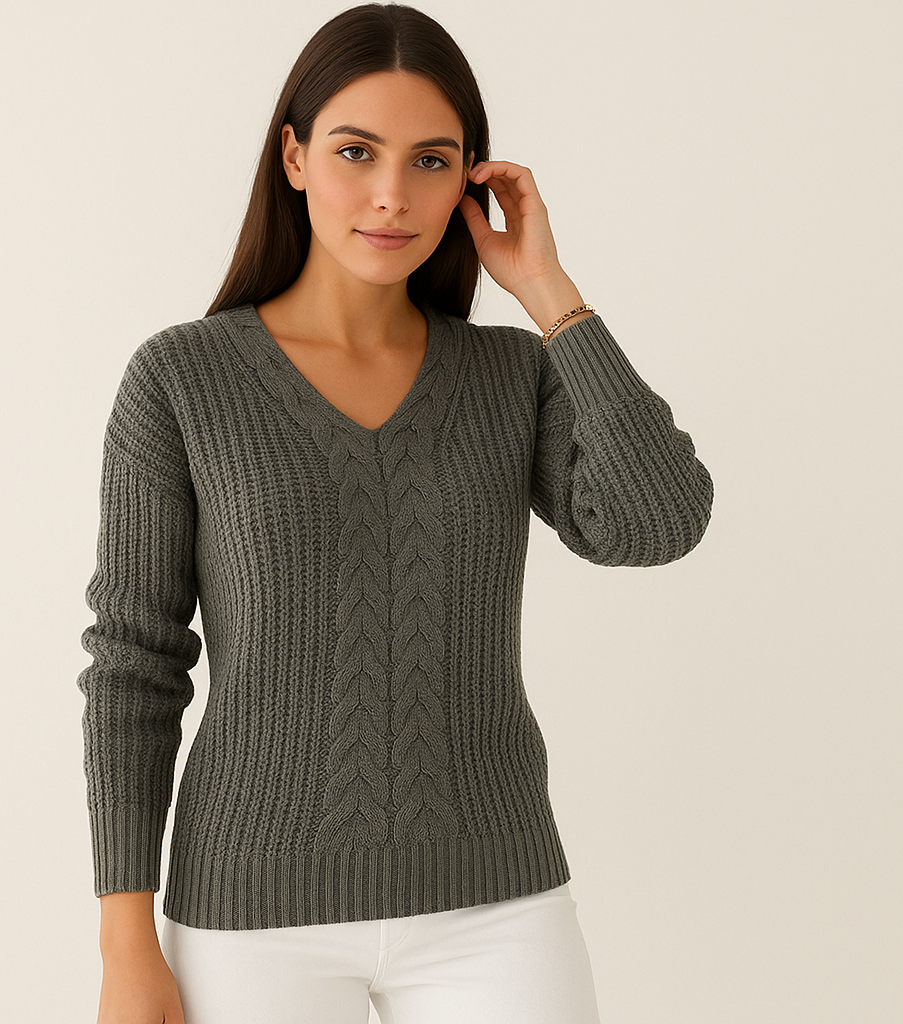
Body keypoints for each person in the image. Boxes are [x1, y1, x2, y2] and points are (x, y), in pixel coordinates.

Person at [75, 4, 714, 1023]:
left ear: (469, 182)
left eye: (430, 161)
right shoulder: (182, 378)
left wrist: (550, 294)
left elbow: (657, 522)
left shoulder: (510, 374)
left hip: (497, 906)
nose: (391, 195)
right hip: (250, 914)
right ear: (293, 157)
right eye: (355, 151)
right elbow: (134, 663)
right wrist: (124, 943)